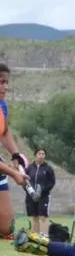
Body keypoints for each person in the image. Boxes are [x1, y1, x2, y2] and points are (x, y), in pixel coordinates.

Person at [0, 63, 30, 239]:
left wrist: (16, 154)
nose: (6, 86)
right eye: (1, 82)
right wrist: (13, 173)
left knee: (6, 227)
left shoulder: (1, 105)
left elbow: (4, 131)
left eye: (6, 82)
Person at [25, 149, 56, 236]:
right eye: (39, 153)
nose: (41, 155)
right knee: (34, 216)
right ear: (35, 155)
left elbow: (52, 182)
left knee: (42, 217)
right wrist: (29, 191)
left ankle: (44, 236)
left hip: (43, 196)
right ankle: (35, 237)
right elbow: (25, 181)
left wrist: (43, 190)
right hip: (31, 196)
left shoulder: (48, 169)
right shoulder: (29, 168)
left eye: (43, 154)